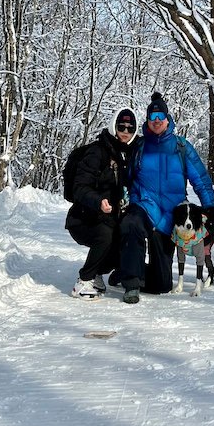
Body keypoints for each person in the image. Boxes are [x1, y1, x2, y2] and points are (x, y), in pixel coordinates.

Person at [119, 91, 214, 305]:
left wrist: (211, 208)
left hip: (170, 216)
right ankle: (131, 284)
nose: (156, 122)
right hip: (143, 206)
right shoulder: (139, 146)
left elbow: (200, 179)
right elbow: (124, 177)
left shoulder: (181, 147)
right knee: (131, 224)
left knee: (162, 285)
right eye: (152, 117)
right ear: (146, 120)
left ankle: (127, 270)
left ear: (167, 119)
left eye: (160, 117)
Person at [65, 108, 140, 298]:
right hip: (84, 218)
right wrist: (98, 201)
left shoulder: (128, 154)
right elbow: (79, 187)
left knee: (122, 239)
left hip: (109, 218)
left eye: (130, 128)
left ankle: (97, 275)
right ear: (113, 125)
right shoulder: (97, 152)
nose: (125, 131)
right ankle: (83, 281)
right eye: (121, 126)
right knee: (106, 235)